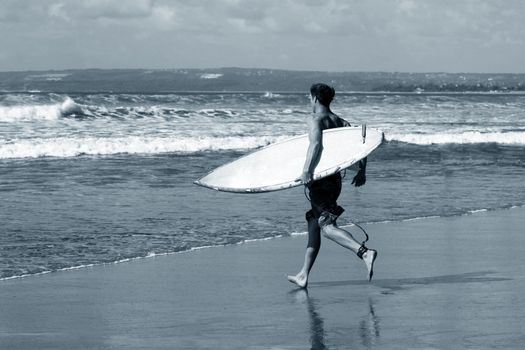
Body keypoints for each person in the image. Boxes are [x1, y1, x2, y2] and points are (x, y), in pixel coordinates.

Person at [287, 83, 377, 288]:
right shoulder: (342, 121)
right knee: (313, 221)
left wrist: (307, 171)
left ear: (315, 98)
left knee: (326, 227)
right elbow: (362, 146)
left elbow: (315, 144)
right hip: (335, 180)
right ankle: (303, 274)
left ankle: (364, 252)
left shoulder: (314, 119)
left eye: (310, 98)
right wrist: (362, 171)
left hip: (319, 180)